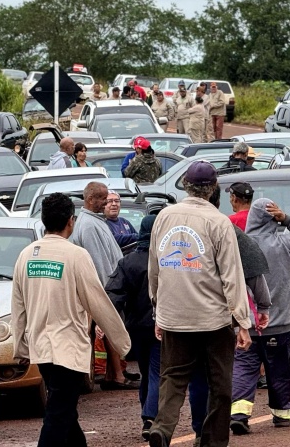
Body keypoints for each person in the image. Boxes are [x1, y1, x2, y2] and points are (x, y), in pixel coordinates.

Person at [147, 161, 253, 447]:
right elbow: (232, 275)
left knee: (172, 378)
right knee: (220, 383)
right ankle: (213, 441)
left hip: (173, 316)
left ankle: (162, 428)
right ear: (213, 187)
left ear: (185, 185)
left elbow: (154, 269)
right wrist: (242, 321)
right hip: (212, 319)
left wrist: (158, 310)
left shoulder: (164, 217)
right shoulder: (218, 221)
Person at [12, 193, 131, 446]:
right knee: (58, 413)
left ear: (44, 220)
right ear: (71, 221)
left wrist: (20, 347)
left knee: (64, 410)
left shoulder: (26, 255)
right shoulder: (76, 255)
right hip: (69, 349)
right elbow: (97, 301)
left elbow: (18, 306)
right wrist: (122, 343)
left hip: (41, 348)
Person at [106, 215, 210, 442]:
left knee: (147, 371)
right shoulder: (171, 260)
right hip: (164, 324)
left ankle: (148, 414)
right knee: (158, 372)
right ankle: (151, 417)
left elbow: (113, 294)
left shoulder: (128, 262)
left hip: (136, 328)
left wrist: (106, 323)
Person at [231, 199, 290, 434]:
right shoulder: (286, 243)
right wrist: (287, 219)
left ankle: (239, 414)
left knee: (244, 367)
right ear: (272, 217)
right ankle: (282, 414)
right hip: (279, 323)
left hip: (245, 322)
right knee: (278, 368)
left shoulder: (240, 245)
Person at [71, 182, 129, 389]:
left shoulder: (96, 222)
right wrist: (110, 290)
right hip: (104, 286)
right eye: (103, 198)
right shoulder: (88, 225)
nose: (107, 202)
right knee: (109, 327)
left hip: (109, 284)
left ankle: (114, 373)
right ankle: (116, 376)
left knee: (109, 329)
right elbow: (98, 262)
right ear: (90, 200)